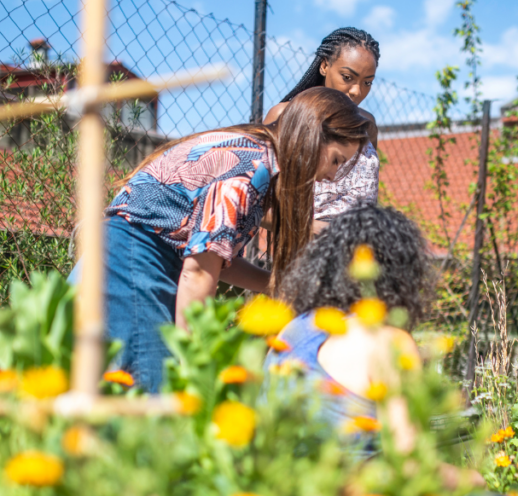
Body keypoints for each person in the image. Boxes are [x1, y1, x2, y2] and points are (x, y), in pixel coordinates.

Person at [264, 204, 518, 496]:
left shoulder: (293, 329)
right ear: (400, 274)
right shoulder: (388, 340)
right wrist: (469, 480)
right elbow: (409, 467)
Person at [71, 87, 371, 393]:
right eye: (335, 160)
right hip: (129, 264)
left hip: (116, 257)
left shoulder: (255, 150)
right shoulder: (249, 174)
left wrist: (274, 286)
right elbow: (197, 273)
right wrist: (193, 365)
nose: (332, 176)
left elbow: (214, 261)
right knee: (159, 399)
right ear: (312, 137)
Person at [264, 27, 381, 232]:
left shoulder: (367, 124)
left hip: (363, 253)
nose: (357, 91)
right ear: (325, 65)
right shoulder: (285, 117)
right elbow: (259, 206)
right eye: (347, 77)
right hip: (307, 252)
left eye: (367, 82)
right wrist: (322, 231)